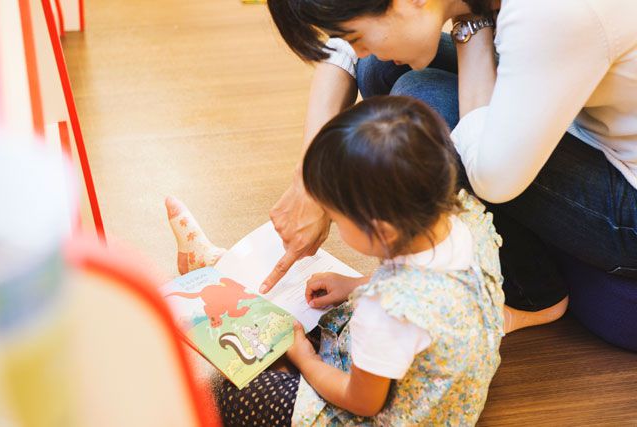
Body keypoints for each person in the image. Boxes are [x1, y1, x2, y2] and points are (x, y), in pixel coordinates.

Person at [262, 0, 637, 336]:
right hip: (581, 114)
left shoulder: (550, 12)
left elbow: (493, 179)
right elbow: (346, 41)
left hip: (627, 191)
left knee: (420, 102)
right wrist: (310, 174)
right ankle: (454, 257)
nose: (354, 46)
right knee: (376, 67)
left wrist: (467, 26)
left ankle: (531, 296)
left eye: (357, 34)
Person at [167, 96, 505, 425]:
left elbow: (364, 402)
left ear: (380, 230)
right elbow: (435, 294)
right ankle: (230, 279)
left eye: (334, 217)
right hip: (445, 390)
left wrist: (307, 359)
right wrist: (355, 285)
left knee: (239, 395)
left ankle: (277, 355)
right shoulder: (469, 225)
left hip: (390, 411)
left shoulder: (386, 309)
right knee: (326, 316)